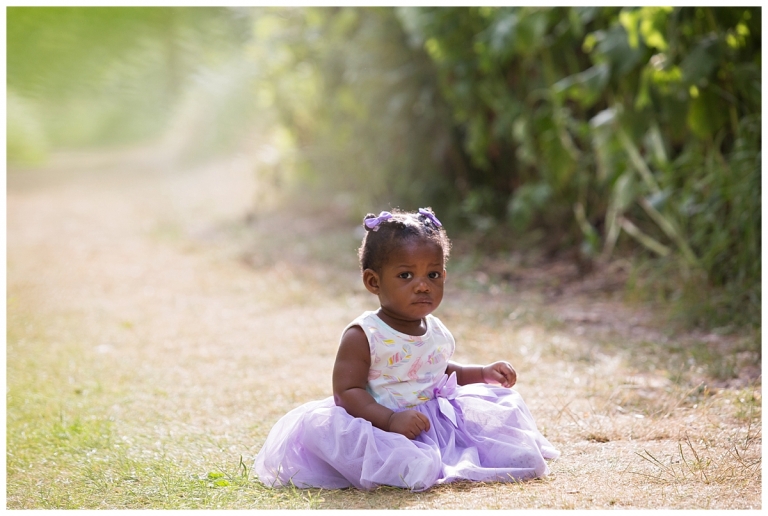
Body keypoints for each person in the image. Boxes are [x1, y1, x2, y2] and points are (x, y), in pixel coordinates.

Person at [252, 208, 559, 491]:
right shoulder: (365, 335)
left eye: (433, 275)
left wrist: (481, 372)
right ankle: (407, 463)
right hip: (379, 424)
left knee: (505, 408)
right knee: (415, 465)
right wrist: (389, 420)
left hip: (432, 420)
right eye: (405, 275)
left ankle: (476, 454)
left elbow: (436, 369)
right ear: (373, 282)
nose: (422, 285)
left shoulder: (435, 329)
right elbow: (347, 391)